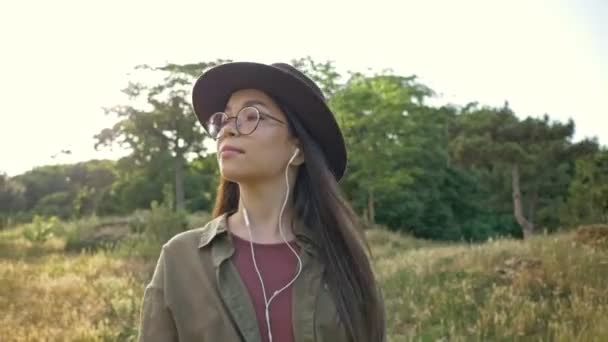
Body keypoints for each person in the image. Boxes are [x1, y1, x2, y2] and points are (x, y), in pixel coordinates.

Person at [137, 62, 386, 342]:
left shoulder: (343, 262)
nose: (228, 130)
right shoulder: (180, 259)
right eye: (226, 118)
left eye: (253, 115)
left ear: (299, 148)